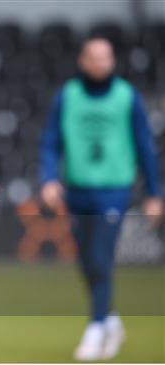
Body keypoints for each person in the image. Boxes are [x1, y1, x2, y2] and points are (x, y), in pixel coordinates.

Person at [40, 37, 163, 361]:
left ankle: (96, 327)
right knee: (85, 260)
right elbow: (51, 140)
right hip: (77, 190)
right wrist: (49, 178)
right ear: (83, 60)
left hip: (113, 190)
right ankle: (110, 318)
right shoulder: (67, 96)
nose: (99, 63)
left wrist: (154, 193)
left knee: (100, 257)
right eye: (93, 57)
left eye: (105, 57)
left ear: (112, 61)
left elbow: (144, 145)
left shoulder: (126, 97)